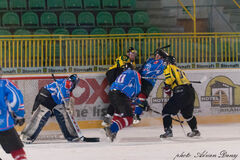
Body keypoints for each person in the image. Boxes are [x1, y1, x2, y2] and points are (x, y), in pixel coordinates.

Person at [20, 74, 80, 143]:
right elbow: (61, 96)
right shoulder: (68, 83)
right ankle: (26, 136)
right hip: (46, 98)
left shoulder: (63, 81)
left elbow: (61, 96)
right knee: (39, 118)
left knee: (63, 115)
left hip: (50, 98)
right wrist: (67, 106)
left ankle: (71, 136)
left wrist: (67, 105)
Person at [160, 56, 200, 138]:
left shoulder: (168, 67)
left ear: (167, 62)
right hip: (190, 91)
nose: (164, 64)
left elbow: (170, 79)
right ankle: (195, 130)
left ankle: (168, 131)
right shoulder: (179, 70)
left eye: (165, 62)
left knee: (166, 111)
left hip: (181, 92)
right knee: (187, 114)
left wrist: (167, 86)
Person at [104, 63, 141, 142]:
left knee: (117, 113)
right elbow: (138, 88)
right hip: (120, 95)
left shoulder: (122, 74)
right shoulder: (134, 72)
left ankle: (113, 133)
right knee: (129, 118)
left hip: (112, 93)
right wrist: (138, 100)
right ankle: (111, 129)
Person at [102, 47, 138, 127]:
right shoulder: (124, 58)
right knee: (117, 95)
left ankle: (109, 116)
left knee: (118, 97)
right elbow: (123, 68)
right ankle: (110, 115)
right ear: (128, 54)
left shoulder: (133, 63)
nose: (133, 56)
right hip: (113, 73)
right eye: (132, 54)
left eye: (134, 55)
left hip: (119, 76)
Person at [133, 47, 168, 124]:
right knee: (133, 95)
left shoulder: (162, 62)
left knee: (142, 96)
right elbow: (143, 68)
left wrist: (165, 57)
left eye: (158, 55)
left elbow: (166, 66)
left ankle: (136, 114)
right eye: (156, 54)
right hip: (139, 79)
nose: (156, 56)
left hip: (149, 81)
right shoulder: (150, 60)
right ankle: (142, 106)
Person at [0, 77, 28, 160]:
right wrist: (19, 115)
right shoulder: (5, 83)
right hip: (4, 124)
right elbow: (16, 101)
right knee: (17, 152)